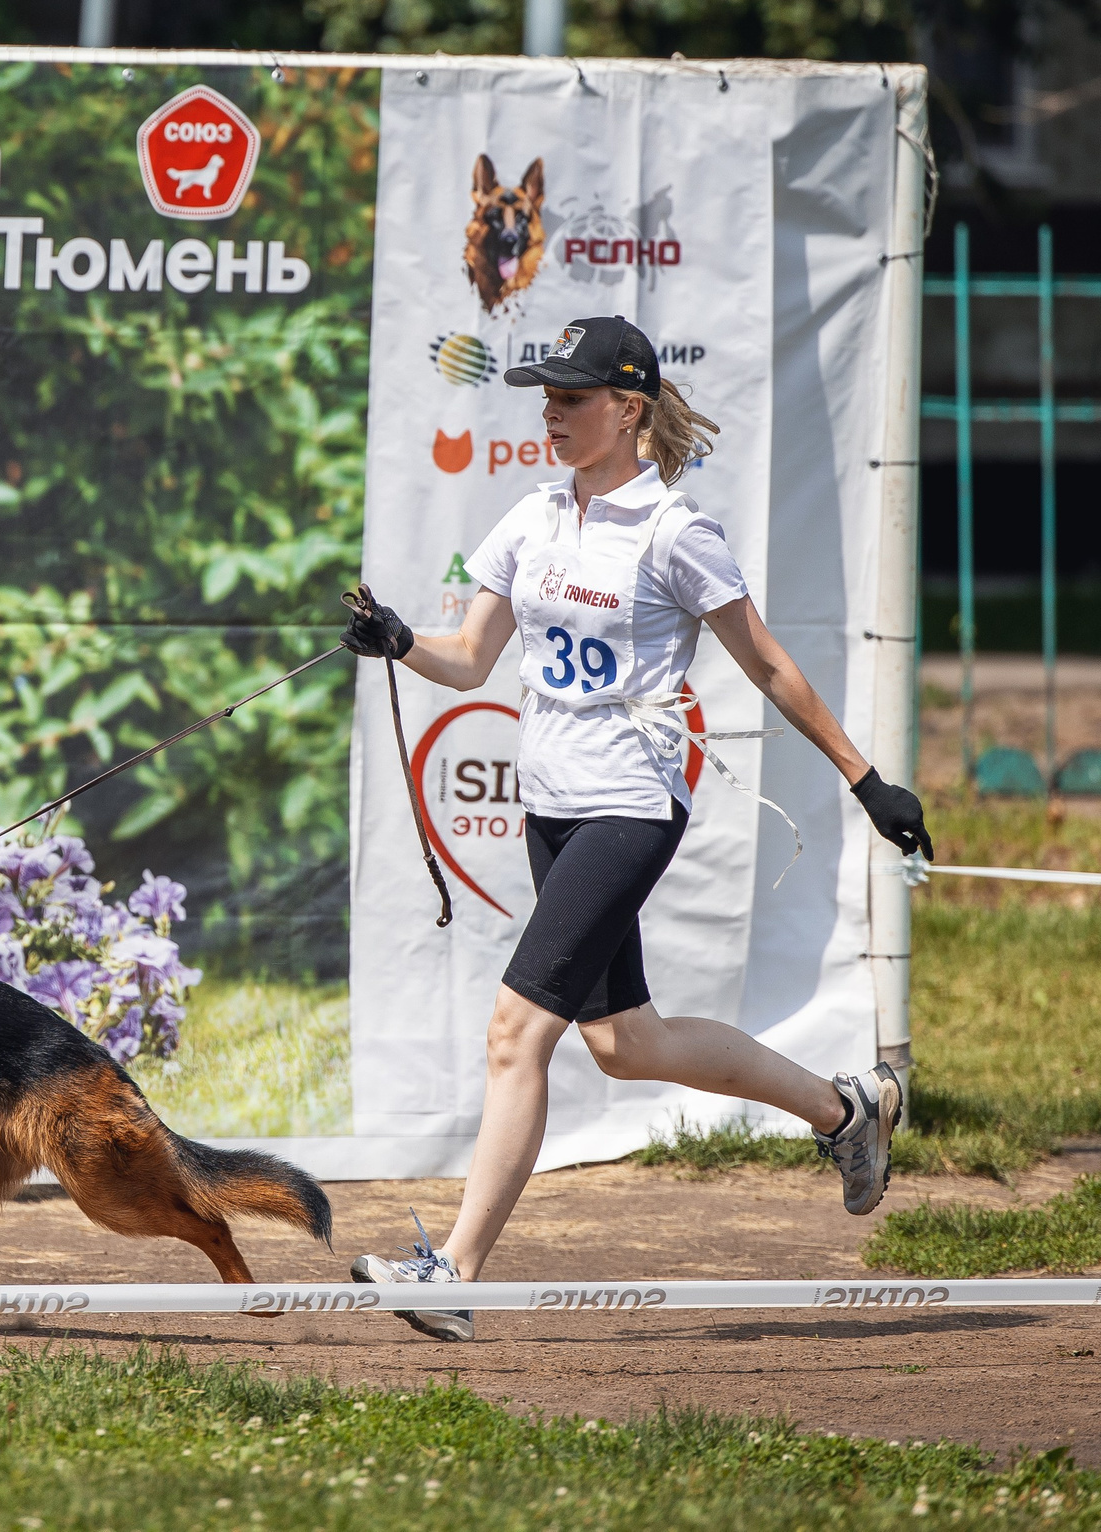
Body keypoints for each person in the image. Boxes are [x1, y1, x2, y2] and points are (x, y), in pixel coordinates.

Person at [338, 314, 933, 1343]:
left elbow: (768, 665)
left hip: (630, 801)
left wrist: (865, 779)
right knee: (623, 1042)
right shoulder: (528, 518)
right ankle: (846, 1112)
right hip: (551, 804)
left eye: (571, 398)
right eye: (546, 396)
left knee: (515, 1031)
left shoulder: (672, 531)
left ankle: (454, 1273)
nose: (551, 413)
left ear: (627, 408)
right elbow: (469, 658)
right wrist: (397, 641)